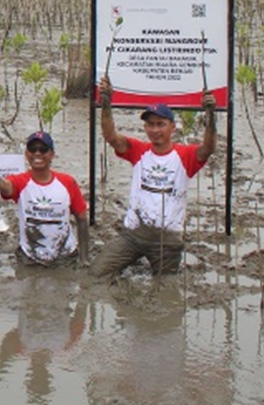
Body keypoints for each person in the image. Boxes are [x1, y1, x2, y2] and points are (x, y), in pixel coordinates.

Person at [91, 77, 218, 277]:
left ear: (172, 127)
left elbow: (209, 148)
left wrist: (211, 114)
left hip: (167, 239)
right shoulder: (139, 151)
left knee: (166, 289)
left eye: (161, 124)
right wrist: (106, 102)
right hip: (133, 234)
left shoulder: (185, 156)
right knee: (97, 274)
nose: (155, 130)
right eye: (150, 125)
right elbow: (111, 137)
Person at [0, 131, 89, 267]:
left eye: (43, 149)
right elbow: (3, 186)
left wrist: (84, 259)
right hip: (30, 257)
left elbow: (82, 219)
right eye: (32, 149)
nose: (37, 153)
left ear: (52, 155)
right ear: (27, 154)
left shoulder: (68, 182)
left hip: (65, 256)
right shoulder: (20, 182)